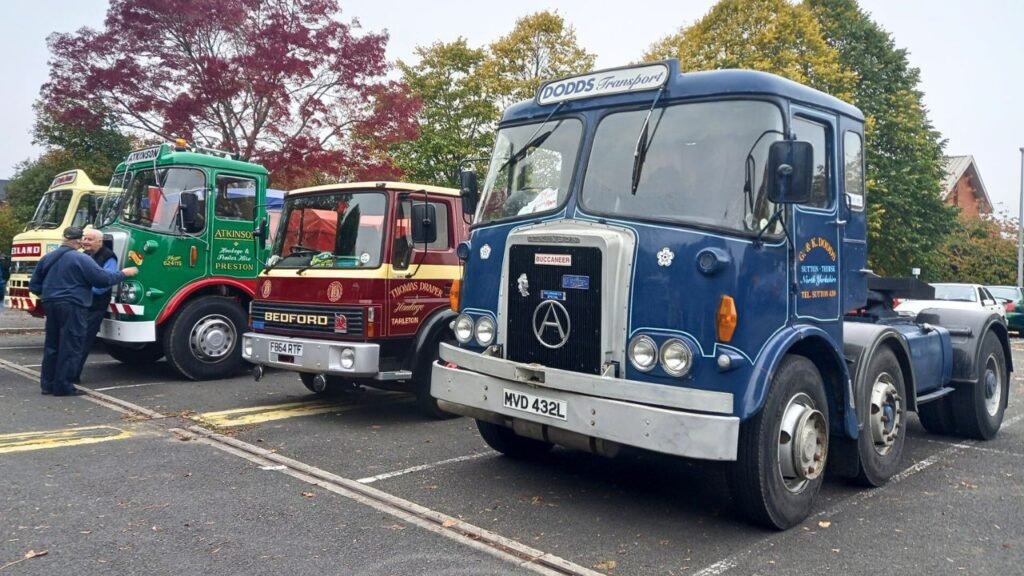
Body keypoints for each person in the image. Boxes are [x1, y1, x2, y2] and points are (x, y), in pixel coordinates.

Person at [28, 226, 138, 397]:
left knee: (52, 345)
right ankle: (63, 386)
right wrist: (124, 273)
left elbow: (34, 285)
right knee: (71, 345)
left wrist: (50, 295)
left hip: (51, 304)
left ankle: (47, 384)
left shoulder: (48, 258)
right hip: (73, 304)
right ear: (78, 241)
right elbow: (103, 280)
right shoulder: (80, 259)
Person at [73, 229, 118, 384]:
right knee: (75, 339)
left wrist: (82, 288)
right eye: (84, 238)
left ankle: (74, 374)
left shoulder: (109, 257)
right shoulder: (83, 255)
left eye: (90, 239)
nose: (85, 241)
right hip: (81, 303)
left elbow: (105, 283)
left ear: (100, 242)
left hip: (95, 305)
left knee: (84, 340)